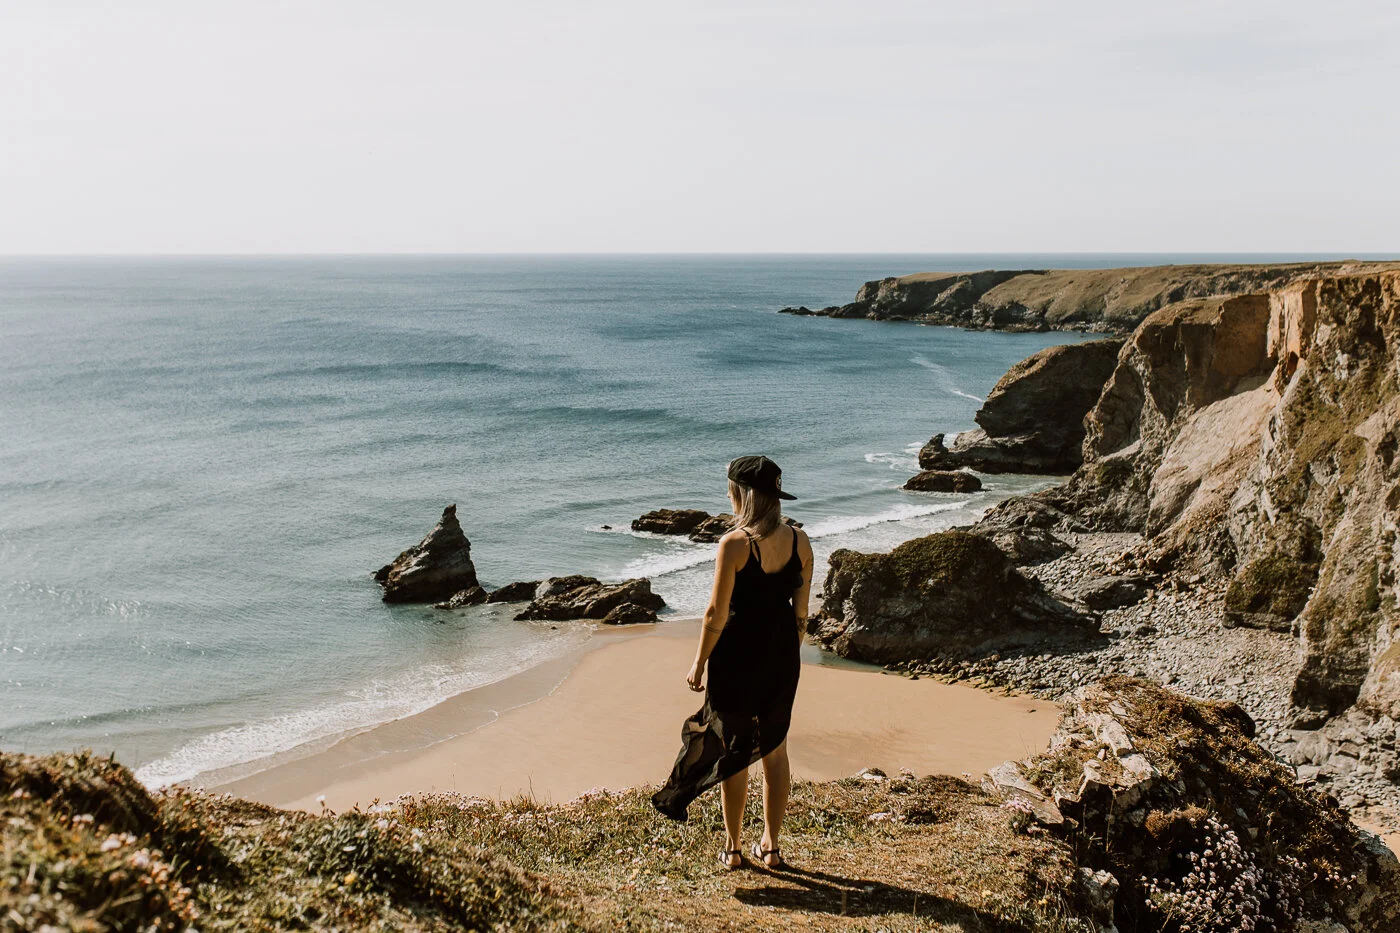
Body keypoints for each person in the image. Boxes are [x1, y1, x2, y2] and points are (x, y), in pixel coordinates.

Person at [651, 455, 813, 871]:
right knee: (775, 750)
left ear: (743, 495)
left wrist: (699, 662)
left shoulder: (735, 543)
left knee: (734, 751)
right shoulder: (800, 541)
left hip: (737, 658)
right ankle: (773, 847)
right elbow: (801, 615)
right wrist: (786, 654)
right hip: (780, 656)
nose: (727, 494)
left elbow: (715, 615)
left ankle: (734, 847)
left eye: (730, 488)